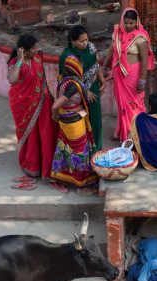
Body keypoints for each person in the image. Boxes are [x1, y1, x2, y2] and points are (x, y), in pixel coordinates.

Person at [7, 34, 57, 190]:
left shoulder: (36, 58)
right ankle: (31, 165)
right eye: (33, 48)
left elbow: (42, 81)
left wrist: (50, 98)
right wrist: (21, 59)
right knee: (31, 136)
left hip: (43, 102)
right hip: (25, 105)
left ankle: (45, 165)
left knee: (45, 134)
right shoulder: (17, 63)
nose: (37, 50)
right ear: (24, 51)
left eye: (36, 47)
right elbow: (12, 79)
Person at [102, 8, 155, 142]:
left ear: (136, 22)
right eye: (126, 23)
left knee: (135, 104)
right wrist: (104, 66)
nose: (129, 26)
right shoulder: (118, 33)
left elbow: (144, 60)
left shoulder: (141, 37)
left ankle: (137, 134)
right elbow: (111, 51)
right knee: (122, 106)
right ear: (122, 21)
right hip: (120, 75)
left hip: (134, 75)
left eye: (131, 23)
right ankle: (122, 133)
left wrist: (142, 80)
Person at [50, 54, 98, 195]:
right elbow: (55, 105)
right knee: (80, 153)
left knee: (63, 149)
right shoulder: (72, 86)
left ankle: (58, 179)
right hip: (73, 123)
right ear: (77, 67)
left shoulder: (63, 79)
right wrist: (55, 116)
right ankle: (81, 186)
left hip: (67, 120)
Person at [59, 26, 105, 151]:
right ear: (73, 41)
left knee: (95, 119)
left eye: (86, 39)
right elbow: (66, 80)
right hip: (77, 96)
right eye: (81, 41)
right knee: (82, 119)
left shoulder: (91, 47)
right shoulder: (67, 56)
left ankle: (97, 151)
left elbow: (96, 64)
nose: (85, 43)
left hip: (93, 91)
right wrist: (85, 90)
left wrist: (102, 79)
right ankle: (84, 154)